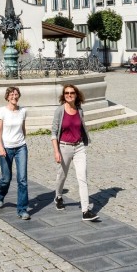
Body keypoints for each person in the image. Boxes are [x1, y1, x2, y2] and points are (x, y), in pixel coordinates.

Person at [51, 84, 99, 221]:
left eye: (72, 92)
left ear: (76, 94)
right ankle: (58, 196)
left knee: (82, 177)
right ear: (63, 95)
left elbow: (82, 128)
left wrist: (84, 142)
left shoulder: (79, 110)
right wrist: (56, 151)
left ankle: (85, 211)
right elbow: (53, 132)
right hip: (64, 147)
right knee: (62, 175)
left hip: (79, 148)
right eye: (66, 93)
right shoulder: (59, 111)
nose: (69, 95)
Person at [0, 86, 30, 220]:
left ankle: (22, 209)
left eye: (16, 94)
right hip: (6, 148)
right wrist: (0, 146)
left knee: (22, 179)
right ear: (7, 97)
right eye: (11, 94)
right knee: (6, 178)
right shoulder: (2, 111)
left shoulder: (23, 111)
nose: (14, 97)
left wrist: (22, 140)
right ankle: (0, 195)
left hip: (21, 147)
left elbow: (23, 128)